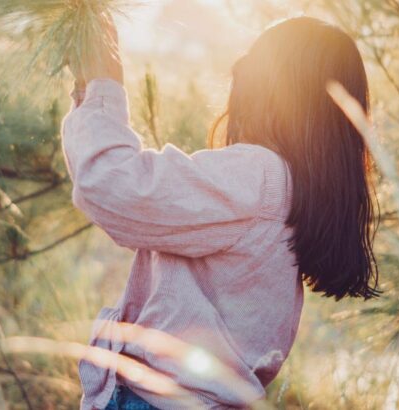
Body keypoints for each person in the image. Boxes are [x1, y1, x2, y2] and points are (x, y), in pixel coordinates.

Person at [62, 14, 379, 410]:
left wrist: (103, 86)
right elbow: (105, 184)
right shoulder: (294, 189)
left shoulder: (257, 178)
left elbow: (110, 185)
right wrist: (88, 93)